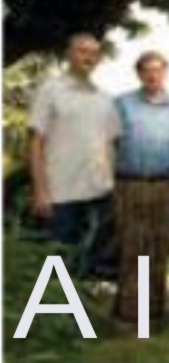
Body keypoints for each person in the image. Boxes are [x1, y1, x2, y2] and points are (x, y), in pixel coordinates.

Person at [28, 33, 120, 277]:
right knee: (58, 262)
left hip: (99, 193)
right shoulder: (50, 90)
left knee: (89, 264)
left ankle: (80, 299)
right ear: (68, 54)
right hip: (61, 193)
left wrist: (113, 185)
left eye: (94, 53)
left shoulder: (106, 99)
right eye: (82, 51)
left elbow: (110, 144)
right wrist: (40, 190)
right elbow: (36, 142)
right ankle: (54, 301)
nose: (89, 57)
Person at [113, 51, 169, 326]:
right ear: (139, 74)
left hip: (166, 184)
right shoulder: (122, 104)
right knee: (132, 246)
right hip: (130, 183)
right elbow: (111, 143)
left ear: (165, 72)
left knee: (159, 246)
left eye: (158, 69)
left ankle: (155, 312)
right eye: (147, 70)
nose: (153, 75)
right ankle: (128, 313)